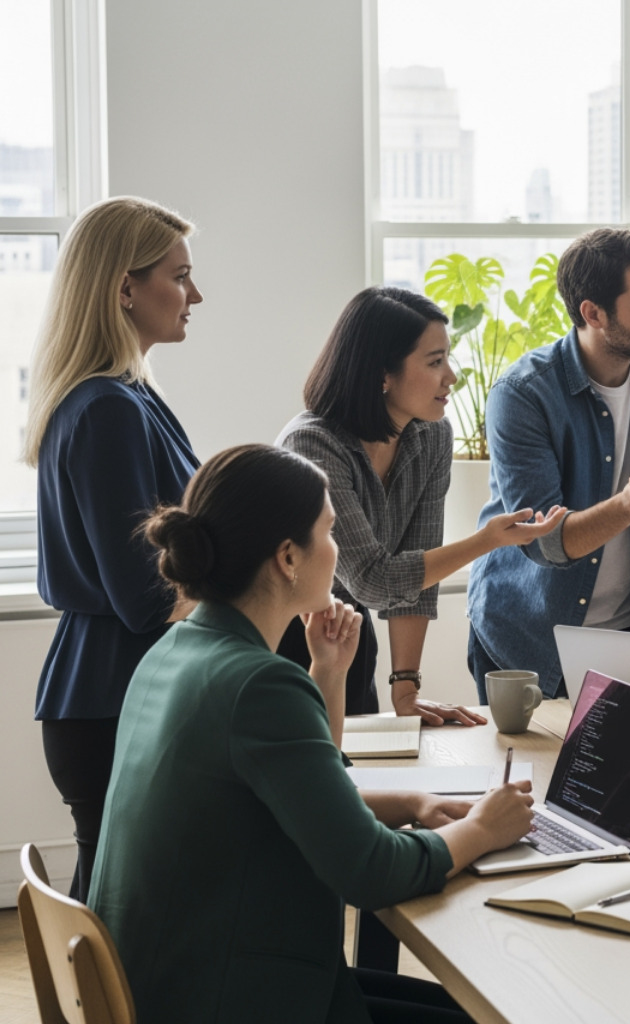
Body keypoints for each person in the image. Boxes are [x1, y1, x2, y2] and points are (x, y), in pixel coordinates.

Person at [89, 444, 536, 1023]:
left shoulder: (174, 650)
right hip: (227, 998)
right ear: (288, 557)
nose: (339, 548)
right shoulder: (258, 685)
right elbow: (370, 872)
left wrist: (330, 676)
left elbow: (309, 794)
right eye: (329, 531)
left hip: (165, 985)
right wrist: (482, 828)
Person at [277, 287, 565, 722]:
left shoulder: (432, 435)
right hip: (279, 640)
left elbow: (415, 576)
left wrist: (405, 688)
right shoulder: (312, 444)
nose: (451, 375)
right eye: (434, 362)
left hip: (346, 635)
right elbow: (373, 581)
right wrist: (486, 541)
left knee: (354, 775)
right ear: (382, 375)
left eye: (447, 357)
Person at [468, 229, 630, 698]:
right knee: (525, 772)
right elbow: (543, 541)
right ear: (593, 312)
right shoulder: (522, 395)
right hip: (526, 639)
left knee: (627, 771)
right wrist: (627, 508)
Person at [26, 196, 202, 901]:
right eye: (179, 276)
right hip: (115, 693)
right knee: (122, 913)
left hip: (111, 688)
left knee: (115, 909)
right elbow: (146, 594)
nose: (196, 295)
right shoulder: (108, 409)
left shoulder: (127, 399)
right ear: (124, 287)